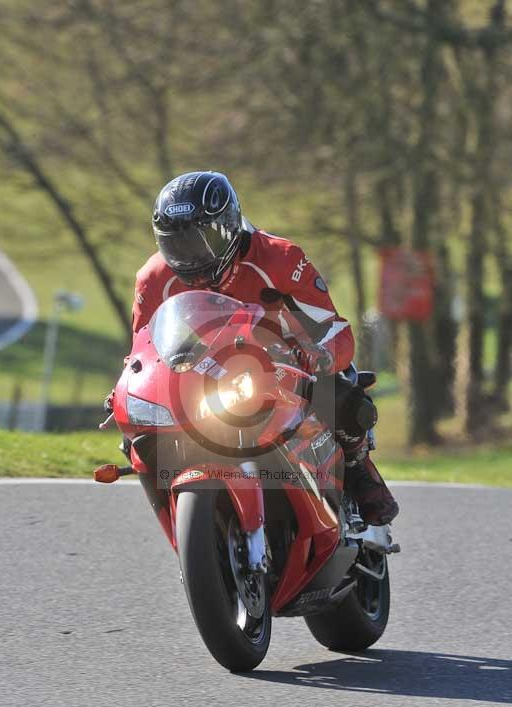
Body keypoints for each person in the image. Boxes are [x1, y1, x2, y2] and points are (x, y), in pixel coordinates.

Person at [129, 170, 398, 526]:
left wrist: (320, 355)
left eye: (202, 240)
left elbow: (334, 328)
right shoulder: (153, 279)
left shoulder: (281, 258)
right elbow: (141, 352)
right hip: (204, 376)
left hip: (285, 364)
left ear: (228, 226)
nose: (191, 256)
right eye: (176, 245)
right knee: (140, 437)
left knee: (338, 396)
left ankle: (358, 467)